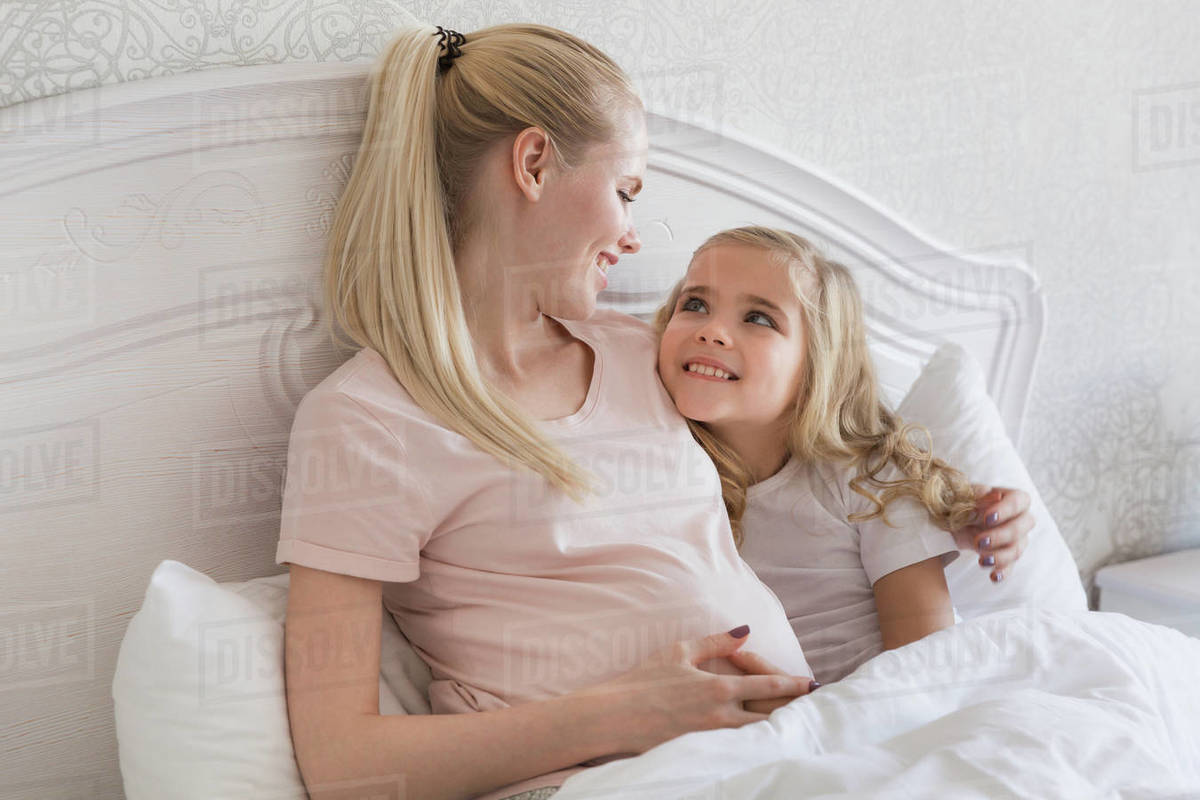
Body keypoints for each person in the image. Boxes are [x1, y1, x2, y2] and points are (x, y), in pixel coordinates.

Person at [275, 23, 1034, 800]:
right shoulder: (366, 422)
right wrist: (617, 715)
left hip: (794, 756)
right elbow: (344, 766)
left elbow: (804, 444)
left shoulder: (643, 355)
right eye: (625, 192)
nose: (633, 240)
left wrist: (949, 504)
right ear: (533, 163)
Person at [653, 225, 1027, 684]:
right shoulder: (655, 470)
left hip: (872, 713)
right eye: (694, 305)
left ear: (817, 363)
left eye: (760, 318)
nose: (712, 331)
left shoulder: (871, 482)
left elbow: (927, 666)